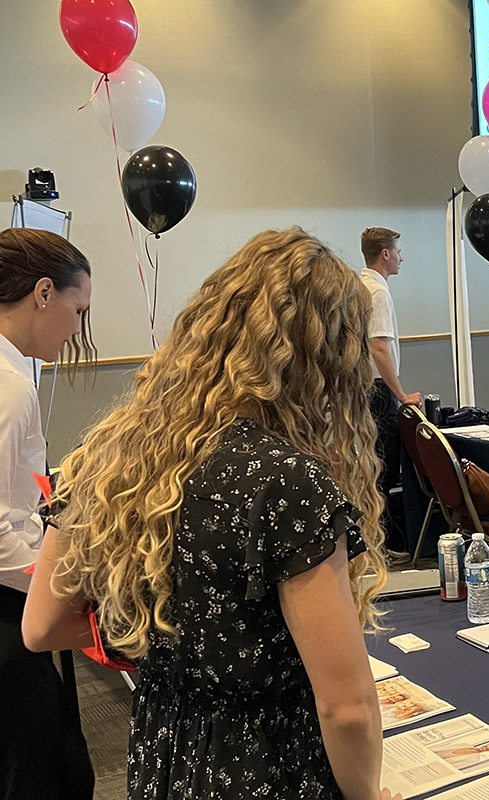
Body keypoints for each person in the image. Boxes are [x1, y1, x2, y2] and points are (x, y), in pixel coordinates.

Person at [23, 229, 399, 800]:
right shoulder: (287, 481)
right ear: (325, 359)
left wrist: (172, 641)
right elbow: (347, 708)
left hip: (164, 750)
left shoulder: (111, 450)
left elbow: (41, 626)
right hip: (268, 766)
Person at [0, 227, 95, 800]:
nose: (79, 328)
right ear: (43, 293)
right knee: (32, 771)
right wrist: (61, 589)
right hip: (7, 614)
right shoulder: (9, 387)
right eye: (77, 307)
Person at [360, 227, 419, 563]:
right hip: (379, 392)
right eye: (397, 250)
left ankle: (371, 542)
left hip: (361, 390)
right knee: (383, 469)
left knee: (369, 467)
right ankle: (380, 545)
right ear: (385, 254)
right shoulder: (378, 292)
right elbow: (378, 346)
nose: (401, 257)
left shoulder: (358, 285)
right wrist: (401, 394)